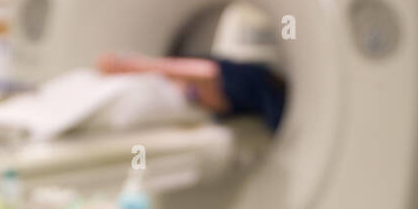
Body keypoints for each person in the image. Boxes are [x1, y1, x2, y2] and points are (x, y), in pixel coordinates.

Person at [95, 52, 287, 132]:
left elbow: (207, 73)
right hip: (228, 88)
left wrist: (132, 67)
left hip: (252, 82)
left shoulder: (212, 75)